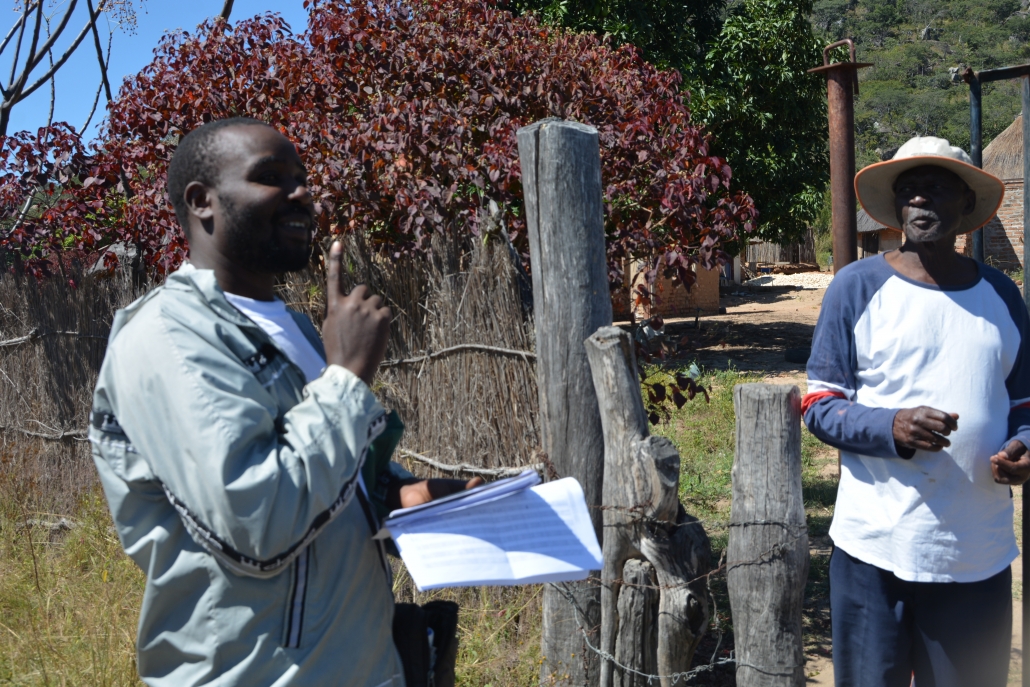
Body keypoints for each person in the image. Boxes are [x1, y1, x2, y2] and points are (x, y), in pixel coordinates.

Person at [89, 117, 479, 686]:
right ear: (201, 202)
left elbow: (326, 476)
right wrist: (345, 377)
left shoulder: (291, 329)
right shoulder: (167, 338)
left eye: (302, 178)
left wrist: (409, 497)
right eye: (271, 177)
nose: (301, 194)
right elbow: (258, 519)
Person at [804, 135, 1030, 687]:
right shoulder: (856, 288)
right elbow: (818, 405)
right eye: (909, 190)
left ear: (966, 204)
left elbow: (1024, 403)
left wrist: (1024, 445)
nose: (921, 199)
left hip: (975, 554)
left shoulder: (1002, 295)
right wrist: (892, 425)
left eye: (936, 187)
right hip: (874, 549)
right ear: (896, 206)